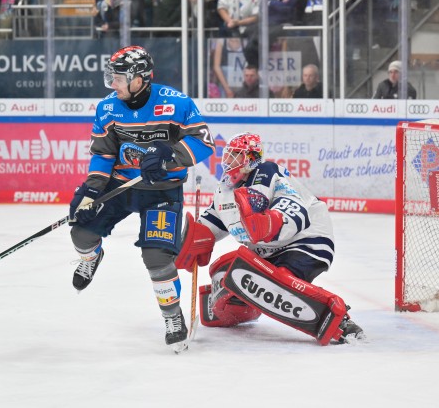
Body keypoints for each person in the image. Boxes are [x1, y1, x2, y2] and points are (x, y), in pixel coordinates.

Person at [68, 45, 216, 352]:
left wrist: (169, 157)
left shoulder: (176, 103)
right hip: (120, 188)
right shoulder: (108, 107)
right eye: (111, 78)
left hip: (161, 192)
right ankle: (91, 258)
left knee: (157, 257)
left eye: (119, 78)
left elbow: (204, 143)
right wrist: (92, 189)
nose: (113, 85)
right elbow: (103, 153)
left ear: (141, 78)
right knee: (81, 232)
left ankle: (172, 316)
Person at [175, 132, 365, 345]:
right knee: (240, 274)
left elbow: (294, 207)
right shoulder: (224, 189)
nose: (228, 161)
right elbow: (214, 221)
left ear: (251, 157)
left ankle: (340, 321)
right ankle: (240, 305)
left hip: (307, 239)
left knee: (278, 280)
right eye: (228, 156)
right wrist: (194, 240)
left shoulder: (268, 172)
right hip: (267, 254)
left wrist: (271, 222)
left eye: (236, 155)